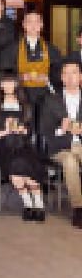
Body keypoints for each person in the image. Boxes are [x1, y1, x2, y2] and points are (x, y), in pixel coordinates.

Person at [0, 71, 45, 221]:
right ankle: (28, 204)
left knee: (27, 164)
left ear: (17, 84)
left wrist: (22, 130)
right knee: (16, 164)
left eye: (11, 82)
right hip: (3, 147)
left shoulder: (26, 106)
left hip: (23, 145)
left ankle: (38, 205)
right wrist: (5, 131)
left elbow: (31, 130)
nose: (8, 85)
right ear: (0, 85)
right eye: (4, 82)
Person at [2, 10, 62, 130]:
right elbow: (5, 71)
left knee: (43, 125)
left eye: (37, 22)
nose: (33, 25)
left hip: (44, 93)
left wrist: (47, 77)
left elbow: (58, 71)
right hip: (20, 92)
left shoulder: (52, 49)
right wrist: (20, 77)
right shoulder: (12, 48)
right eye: (29, 22)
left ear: (41, 25)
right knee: (23, 125)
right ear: (24, 25)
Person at [40, 60, 82, 228]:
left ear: (80, 76)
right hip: (60, 147)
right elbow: (44, 129)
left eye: (74, 73)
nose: (70, 77)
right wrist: (61, 129)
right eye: (66, 73)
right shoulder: (51, 100)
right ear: (62, 77)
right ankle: (78, 209)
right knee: (70, 161)